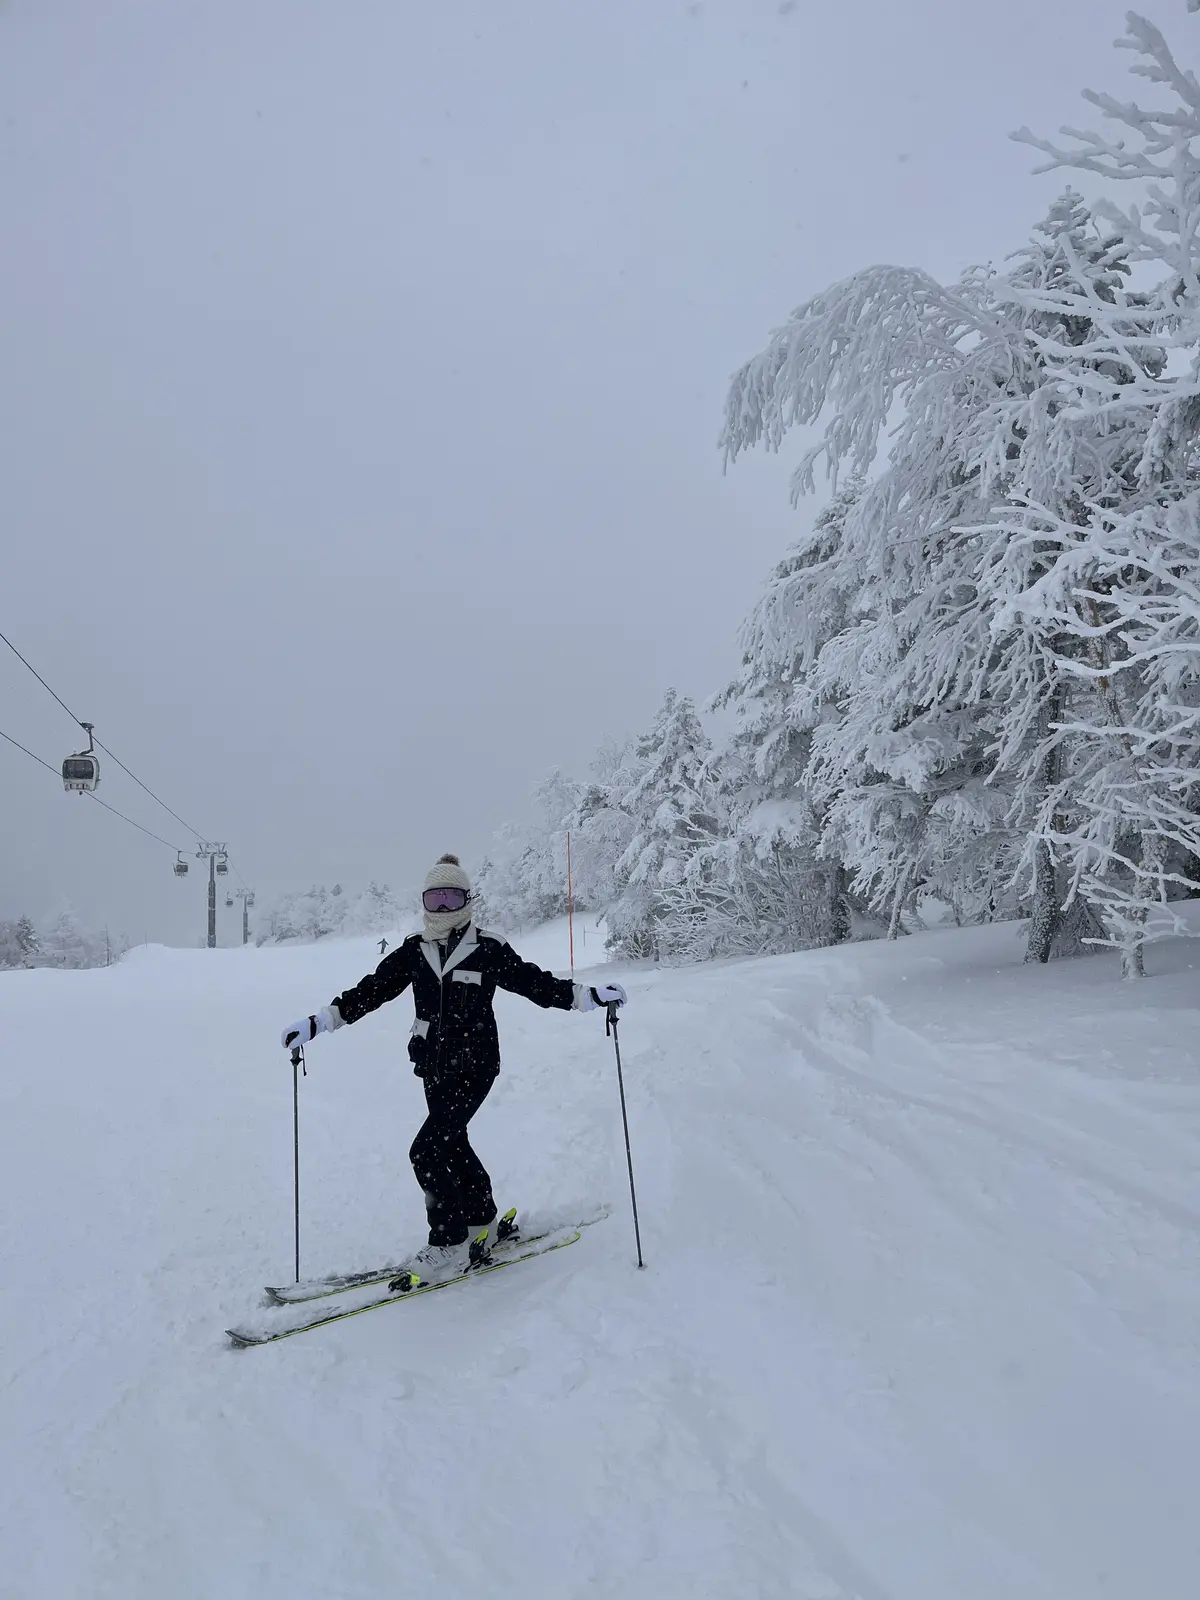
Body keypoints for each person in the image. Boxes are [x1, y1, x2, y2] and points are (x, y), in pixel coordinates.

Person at [281, 854, 627, 1276]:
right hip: (433, 1067)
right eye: (434, 898)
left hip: (476, 1065)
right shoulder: (414, 951)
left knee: (426, 1150)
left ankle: (448, 1242)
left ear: (468, 899)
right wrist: (322, 1021)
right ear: (424, 903)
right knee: (453, 1143)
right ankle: (483, 1220)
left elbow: (533, 982)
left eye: (452, 897)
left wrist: (586, 997)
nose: (443, 908)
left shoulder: (487, 948)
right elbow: (371, 990)